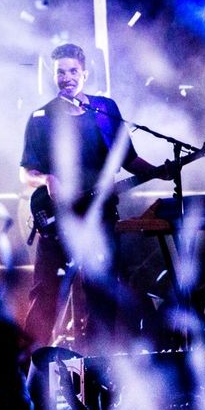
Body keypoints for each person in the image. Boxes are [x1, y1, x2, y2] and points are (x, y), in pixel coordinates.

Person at [19, 42, 177, 355]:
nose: (67, 77)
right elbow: (25, 172)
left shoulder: (105, 110)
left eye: (73, 71)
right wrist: (47, 179)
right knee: (45, 293)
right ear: (53, 76)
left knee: (101, 296)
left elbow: (128, 159)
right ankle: (30, 371)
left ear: (85, 73)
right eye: (61, 72)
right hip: (56, 220)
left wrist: (161, 171)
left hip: (100, 218)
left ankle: (95, 371)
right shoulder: (40, 117)